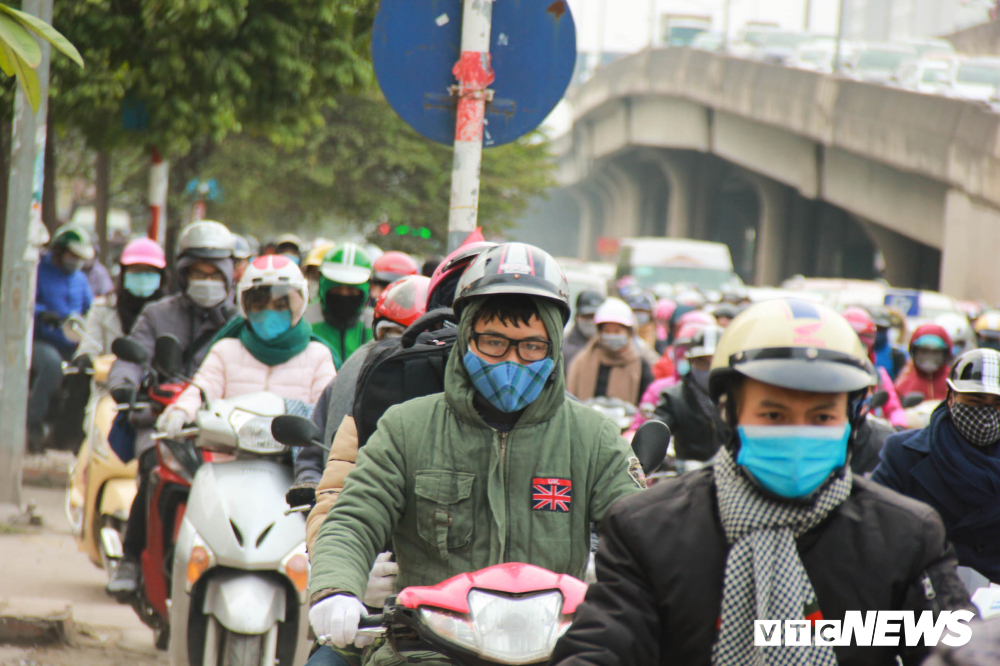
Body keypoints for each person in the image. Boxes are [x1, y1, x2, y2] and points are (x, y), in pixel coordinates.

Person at [550, 299, 974, 666]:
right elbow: (605, 642)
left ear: (853, 418)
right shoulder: (648, 529)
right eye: (773, 415)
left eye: (822, 416)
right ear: (729, 413)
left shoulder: (905, 535)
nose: (798, 431)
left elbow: (954, 646)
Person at [307, 243, 645, 665]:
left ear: (555, 347)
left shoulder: (593, 437)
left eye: (532, 347)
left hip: (556, 652)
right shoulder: (405, 427)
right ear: (465, 337)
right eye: (493, 342)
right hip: (426, 649)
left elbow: (641, 534)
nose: (512, 361)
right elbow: (354, 518)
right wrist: (336, 589)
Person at [105, 220, 236, 596]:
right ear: (183, 273)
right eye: (198, 272)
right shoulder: (157, 315)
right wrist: (124, 383)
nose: (207, 280)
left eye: (214, 273)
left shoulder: (239, 321)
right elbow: (133, 357)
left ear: (228, 275)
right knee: (153, 469)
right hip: (161, 422)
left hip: (221, 428)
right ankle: (131, 558)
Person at [289, 275, 432, 528]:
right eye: (393, 335)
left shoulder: (450, 393)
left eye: (418, 338)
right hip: (350, 521)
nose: (401, 349)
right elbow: (316, 449)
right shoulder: (350, 375)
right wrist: (311, 483)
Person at [155, 255, 335, 438]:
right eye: (259, 305)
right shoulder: (226, 350)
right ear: (245, 306)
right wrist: (182, 411)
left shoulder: (318, 356)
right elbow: (202, 389)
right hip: (228, 458)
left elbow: (328, 410)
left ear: (299, 305)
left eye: (280, 305)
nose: (269, 313)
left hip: (293, 461)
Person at [873, 348, 1000, 583]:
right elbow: (875, 528)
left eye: (997, 404)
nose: (987, 414)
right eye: (975, 400)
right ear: (951, 398)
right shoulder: (903, 453)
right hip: (923, 597)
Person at [56, 239, 168, 450]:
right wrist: (85, 359)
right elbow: (90, 345)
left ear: (161, 277)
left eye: (149, 272)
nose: (142, 277)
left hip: (157, 401)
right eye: (136, 271)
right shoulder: (103, 309)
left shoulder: (170, 313)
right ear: (124, 273)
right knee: (94, 441)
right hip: (109, 395)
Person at [29, 224, 95, 449]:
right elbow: (26, 304)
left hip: (73, 342)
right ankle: (33, 424)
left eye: (79, 257)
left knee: (89, 369)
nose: (75, 260)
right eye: (72, 255)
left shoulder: (80, 280)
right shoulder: (38, 271)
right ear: (59, 251)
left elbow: (91, 309)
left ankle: (71, 432)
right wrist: (42, 313)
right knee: (52, 365)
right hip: (42, 341)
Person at [652, 325, 729, 462]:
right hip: (689, 475)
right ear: (690, 362)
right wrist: (670, 462)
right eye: (702, 362)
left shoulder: (740, 397)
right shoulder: (674, 397)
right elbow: (655, 436)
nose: (709, 370)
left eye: (716, 362)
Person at [567, 298, 654, 406]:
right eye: (607, 331)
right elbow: (570, 396)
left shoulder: (640, 365)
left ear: (628, 332)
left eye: (617, 331)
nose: (612, 336)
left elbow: (647, 402)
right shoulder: (581, 361)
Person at [842, 306, 907, 428]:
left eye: (861, 345)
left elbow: (894, 408)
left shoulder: (878, 376)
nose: (854, 351)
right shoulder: (827, 374)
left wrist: (898, 424)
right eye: (847, 343)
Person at [311, 243, 373, 368]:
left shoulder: (376, 324)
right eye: (337, 288)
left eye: (352, 290)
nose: (344, 294)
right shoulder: (303, 319)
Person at [895, 323, 953, 402]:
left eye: (935, 352)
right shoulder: (903, 384)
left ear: (946, 354)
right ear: (914, 352)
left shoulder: (953, 383)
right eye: (924, 351)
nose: (929, 357)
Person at [563, 290, 605, 374]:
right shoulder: (563, 349)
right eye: (587, 316)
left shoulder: (611, 348)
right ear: (577, 317)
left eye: (596, 317)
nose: (592, 321)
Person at [870, 305, 909, 381]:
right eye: (875, 328)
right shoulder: (863, 351)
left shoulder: (897, 355)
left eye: (881, 329)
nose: (877, 332)